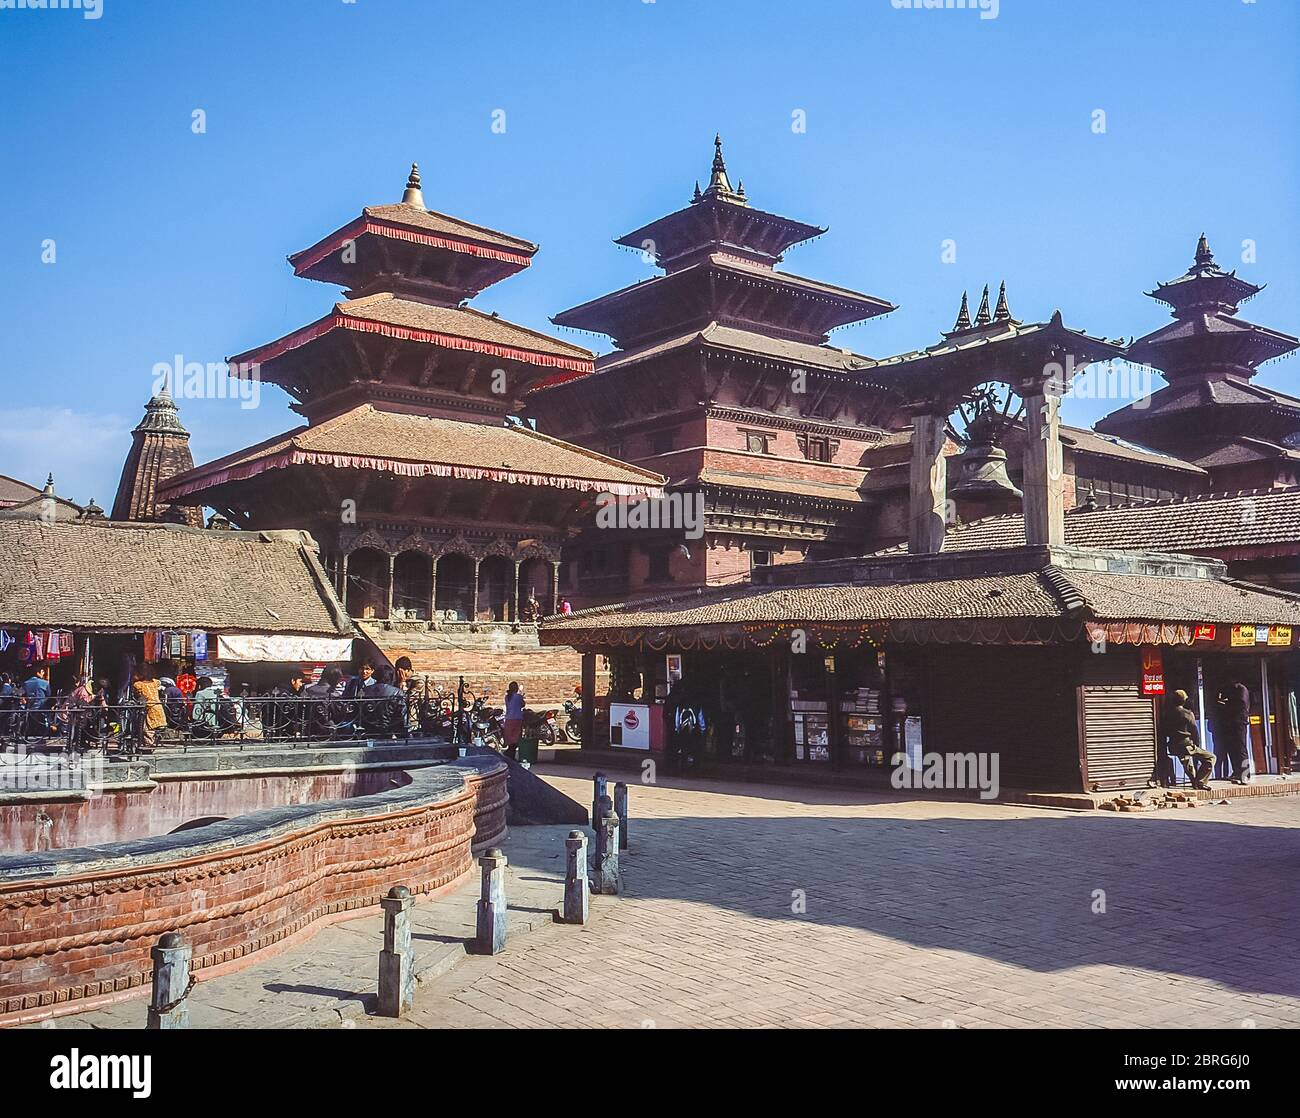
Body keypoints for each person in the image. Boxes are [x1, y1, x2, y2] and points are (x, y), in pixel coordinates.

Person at [1161, 689, 1215, 789]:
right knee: (1211, 758)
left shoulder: (1166, 714)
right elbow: (1194, 731)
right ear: (1184, 701)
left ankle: (1195, 782)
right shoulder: (1187, 714)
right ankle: (1200, 781)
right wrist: (1197, 744)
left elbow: (1165, 730)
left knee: (1186, 762)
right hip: (1186, 746)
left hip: (1173, 746)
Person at [1216, 680, 1252, 784]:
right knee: (1233, 749)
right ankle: (1237, 772)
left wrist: (1226, 703)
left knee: (1241, 749)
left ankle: (1245, 774)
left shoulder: (1241, 689)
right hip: (1234, 723)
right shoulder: (1237, 690)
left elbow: (1240, 705)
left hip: (1239, 722)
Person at [131, 665, 167, 750]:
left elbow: (137, 695)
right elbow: (158, 682)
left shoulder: (138, 684)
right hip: (158, 706)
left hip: (149, 708)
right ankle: (151, 744)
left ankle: (148, 746)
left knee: (148, 728)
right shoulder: (155, 682)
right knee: (153, 728)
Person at [502, 680, 525, 759]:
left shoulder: (507, 697)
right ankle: (510, 754)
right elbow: (522, 704)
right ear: (516, 688)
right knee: (515, 737)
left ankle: (510, 754)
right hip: (517, 719)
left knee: (510, 738)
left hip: (509, 719)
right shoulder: (518, 697)